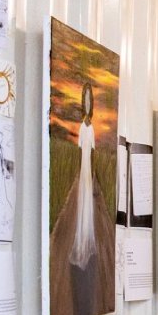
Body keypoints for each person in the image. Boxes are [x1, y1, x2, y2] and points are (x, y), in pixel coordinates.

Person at [67, 82, 98, 267]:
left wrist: (91, 171)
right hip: (84, 167)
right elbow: (81, 150)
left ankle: (86, 238)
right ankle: (82, 239)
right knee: (83, 200)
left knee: (86, 200)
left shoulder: (91, 128)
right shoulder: (83, 128)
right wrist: (81, 169)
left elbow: (91, 151)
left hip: (86, 168)